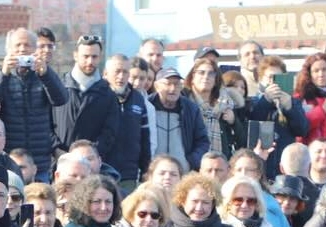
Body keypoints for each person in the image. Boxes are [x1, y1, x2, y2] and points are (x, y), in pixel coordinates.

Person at [0, 28, 68, 181]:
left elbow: (61, 99)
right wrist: (3, 72)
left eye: (27, 45)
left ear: (35, 49)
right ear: (8, 50)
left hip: (39, 161)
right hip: (9, 157)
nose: (22, 49)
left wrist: (45, 74)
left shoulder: (43, 74)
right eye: (17, 45)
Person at [54, 34, 120, 161]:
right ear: (75, 55)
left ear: (100, 58)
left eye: (94, 57)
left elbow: (109, 133)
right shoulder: (58, 87)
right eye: (85, 56)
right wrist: (57, 151)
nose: (90, 61)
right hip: (59, 161)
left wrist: (90, 155)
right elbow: (46, 123)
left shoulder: (108, 94)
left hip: (91, 164)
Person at [104, 53, 151, 192]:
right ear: (106, 73)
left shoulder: (137, 99)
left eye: (125, 72)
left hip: (129, 173)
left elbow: (144, 138)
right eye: (117, 71)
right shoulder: (98, 95)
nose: (121, 76)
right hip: (103, 170)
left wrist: (146, 169)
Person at [151, 67, 210, 174]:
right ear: (157, 86)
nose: (173, 89)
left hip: (182, 173)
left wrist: (190, 162)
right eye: (168, 84)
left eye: (177, 84)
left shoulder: (191, 109)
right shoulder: (147, 106)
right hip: (153, 173)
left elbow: (203, 141)